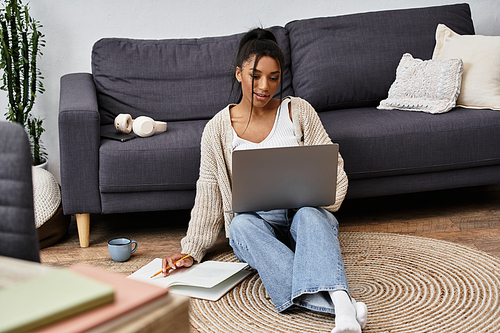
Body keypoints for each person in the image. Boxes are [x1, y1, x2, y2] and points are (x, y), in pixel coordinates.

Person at [162, 28, 368, 333]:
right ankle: (346, 310)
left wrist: (322, 196)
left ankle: (339, 302)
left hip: (304, 215)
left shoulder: (299, 111)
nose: (264, 86)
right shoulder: (217, 129)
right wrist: (192, 249)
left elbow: (333, 168)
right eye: (255, 76)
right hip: (257, 227)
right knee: (240, 226)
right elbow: (208, 191)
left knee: (311, 216)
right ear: (238, 74)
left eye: (274, 77)